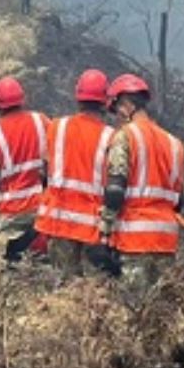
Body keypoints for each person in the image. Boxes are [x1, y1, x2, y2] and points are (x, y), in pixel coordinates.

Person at [101, 73, 184, 292]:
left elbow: (115, 190)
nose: (116, 118)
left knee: (133, 312)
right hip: (166, 242)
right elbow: (179, 201)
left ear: (127, 104)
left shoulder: (125, 136)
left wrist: (105, 229)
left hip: (134, 241)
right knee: (161, 313)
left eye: (116, 109)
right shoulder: (174, 144)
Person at [35, 70, 113, 277]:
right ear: (105, 101)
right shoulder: (111, 137)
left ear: (78, 96)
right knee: (89, 294)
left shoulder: (56, 127)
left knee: (62, 287)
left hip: (58, 221)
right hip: (92, 228)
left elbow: (42, 171)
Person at [0, 76, 50, 263]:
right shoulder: (41, 121)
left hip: (13, 210)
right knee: (45, 260)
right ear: (22, 99)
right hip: (44, 205)